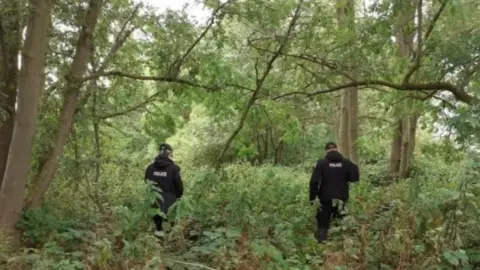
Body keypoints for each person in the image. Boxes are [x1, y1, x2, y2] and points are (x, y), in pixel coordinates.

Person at [309, 142, 359, 243]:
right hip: (342, 197)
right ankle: (338, 245)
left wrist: (312, 198)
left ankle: (322, 244)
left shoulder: (321, 163)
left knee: (323, 223)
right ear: (336, 149)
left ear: (326, 151)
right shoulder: (347, 162)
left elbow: (314, 182)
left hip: (325, 198)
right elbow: (354, 178)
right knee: (340, 222)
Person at [144, 143, 184, 234]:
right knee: (169, 226)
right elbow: (179, 185)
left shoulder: (150, 168)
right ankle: (167, 241)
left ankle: (157, 239)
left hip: (155, 200)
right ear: (170, 153)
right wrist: (179, 196)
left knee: (157, 227)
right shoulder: (173, 168)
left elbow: (146, 182)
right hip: (170, 199)